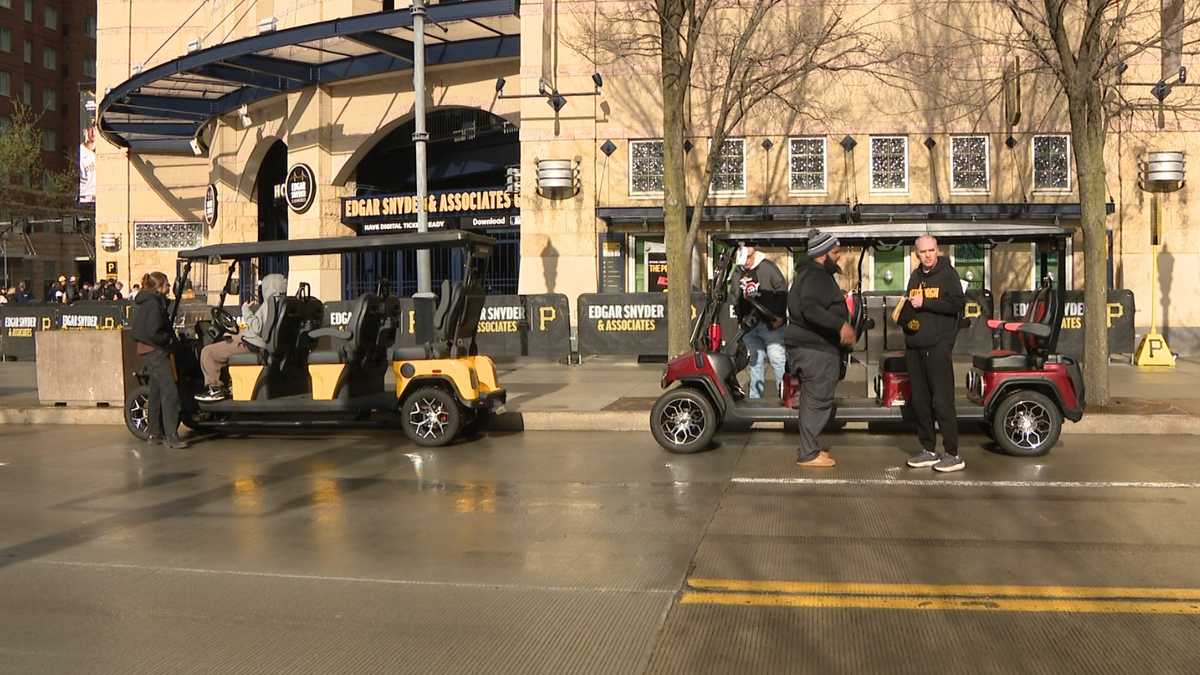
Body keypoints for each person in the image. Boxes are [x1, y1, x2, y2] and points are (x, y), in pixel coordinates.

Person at [785, 229, 856, 468]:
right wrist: (841, 326)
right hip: (816, 350)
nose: (839, 256)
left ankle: (811, 448)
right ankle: (808, 454)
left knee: (812, 400)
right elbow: (810, 309)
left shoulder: (810, 275)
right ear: (822, 255)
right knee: (818, 401)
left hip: (811, 348)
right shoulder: (816, 277)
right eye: (835, 252)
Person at [901, 234, 967, 473]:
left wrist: (926, 304)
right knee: (920, 402)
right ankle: (928, 449)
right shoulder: (915, 276)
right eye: (923, 252)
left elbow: (957, 305)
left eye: (931, 250)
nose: (928, 255)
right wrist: (904, 315)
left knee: (942, 402)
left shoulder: (948, 274)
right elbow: (911, 305)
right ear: (916, 253)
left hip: (938, 347)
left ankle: (953, 453)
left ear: (937, 250)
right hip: (915, 347)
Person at [196, 273, 288, 402]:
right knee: (231, 339)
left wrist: (245, 310)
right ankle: (228, 386)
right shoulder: (282, 302)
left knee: (208, 352)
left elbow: (256, 328)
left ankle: (214, 388)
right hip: (258, 342)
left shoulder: (270, 303)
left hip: (253, 345)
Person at [131, 271, 188, 449]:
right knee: (170, 391)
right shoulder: (154, 304)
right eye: (167, 284)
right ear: (159, 286)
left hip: (149, 350)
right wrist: (169, 341)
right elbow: (154, 331)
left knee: (156, 392)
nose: (169, 287)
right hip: (155, 350)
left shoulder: (149, 301)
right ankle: (171, 435)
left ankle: (154, 433)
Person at [734, 245, 788, 399]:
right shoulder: (738, 272)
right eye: (744, 260)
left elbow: (782, 291)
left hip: (770, 324)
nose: (746, 263)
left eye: (748, 259)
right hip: (749, 325)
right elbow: (735, 296)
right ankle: (755, 399)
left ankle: (785, 395)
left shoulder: (768, 268)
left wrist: (779, 316)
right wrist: (740, 317)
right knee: (754, 363)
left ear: (754, 254)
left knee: (777, 359)